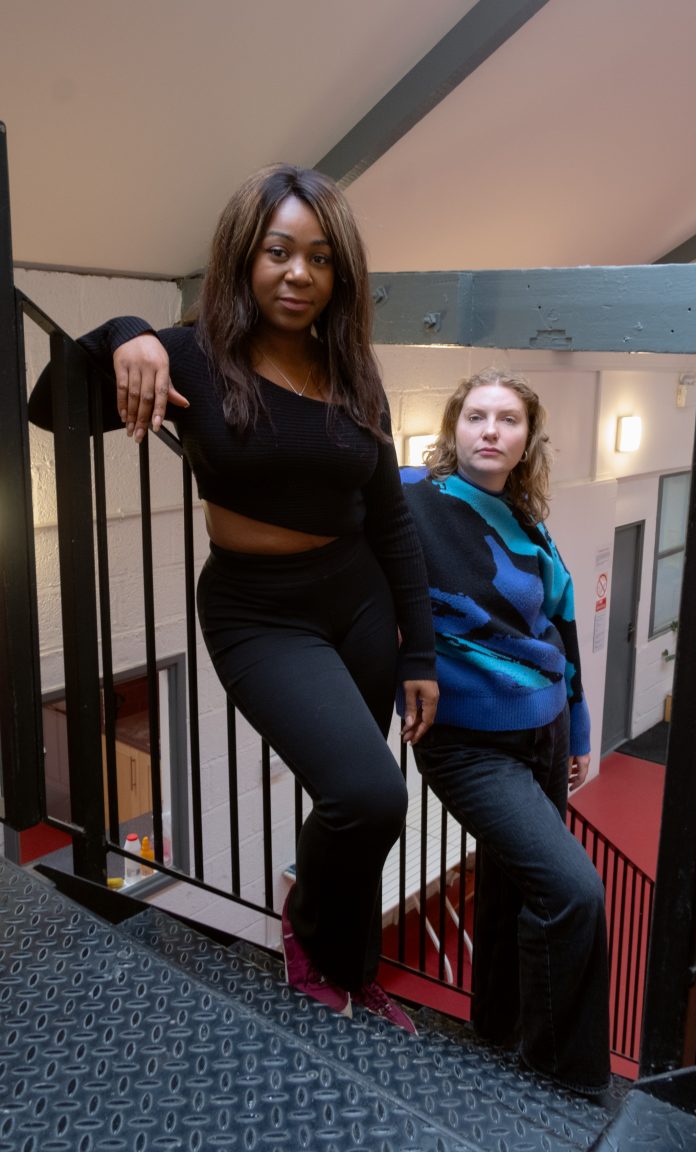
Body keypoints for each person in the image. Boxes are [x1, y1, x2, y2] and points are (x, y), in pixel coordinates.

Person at [29, 163, 438, 1032]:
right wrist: (125, 332)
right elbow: (47, 407)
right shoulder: (189, 357)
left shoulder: (350, 365)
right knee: (371, 796)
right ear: (243, 257)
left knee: (351, 808)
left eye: (321, 258)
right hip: (261, 612)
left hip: (360, 599)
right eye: (279, 251)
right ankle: (307, 927)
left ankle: (355, 972)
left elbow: (393, 521)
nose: (299, 273)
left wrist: (421, 651)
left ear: (341, 273)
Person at [399, 367, 611, 1093]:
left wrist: (580, 729)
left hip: (545, 730)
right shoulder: (410, 497)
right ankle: (556, 1074)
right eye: (477, 417)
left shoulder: (528, 523)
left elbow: (563, 627)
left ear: (526, 442)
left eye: (508, 420)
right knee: (573, 893)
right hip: (466, 740)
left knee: (514, 888)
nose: (491, 431)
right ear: (453, 429)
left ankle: (496, 1029)